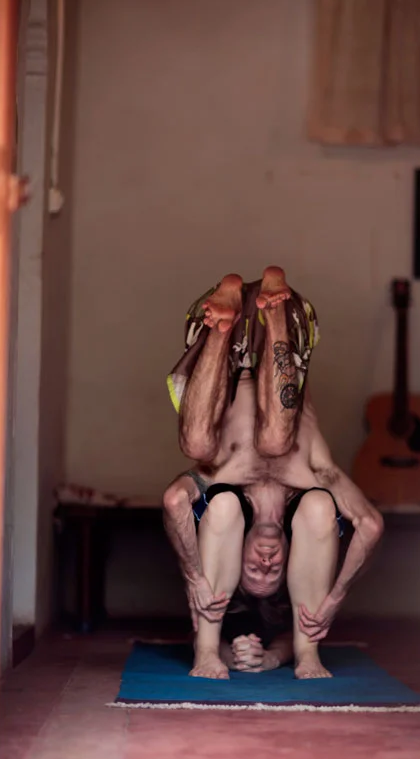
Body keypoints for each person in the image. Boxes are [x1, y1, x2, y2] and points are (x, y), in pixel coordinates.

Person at [163, 268, 383, 680]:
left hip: (220, 335)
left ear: (239, 550)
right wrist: (334, 599)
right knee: (284, 454)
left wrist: (196, 580)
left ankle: (205, 653)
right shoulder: (315, 475)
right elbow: (370, 525)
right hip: (283, 323)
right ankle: (309, 655)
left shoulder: (221, 482)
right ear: (290, 563)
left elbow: (174, 501)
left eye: (253, 570)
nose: (265, 562)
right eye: (273, 572)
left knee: (197, 447)